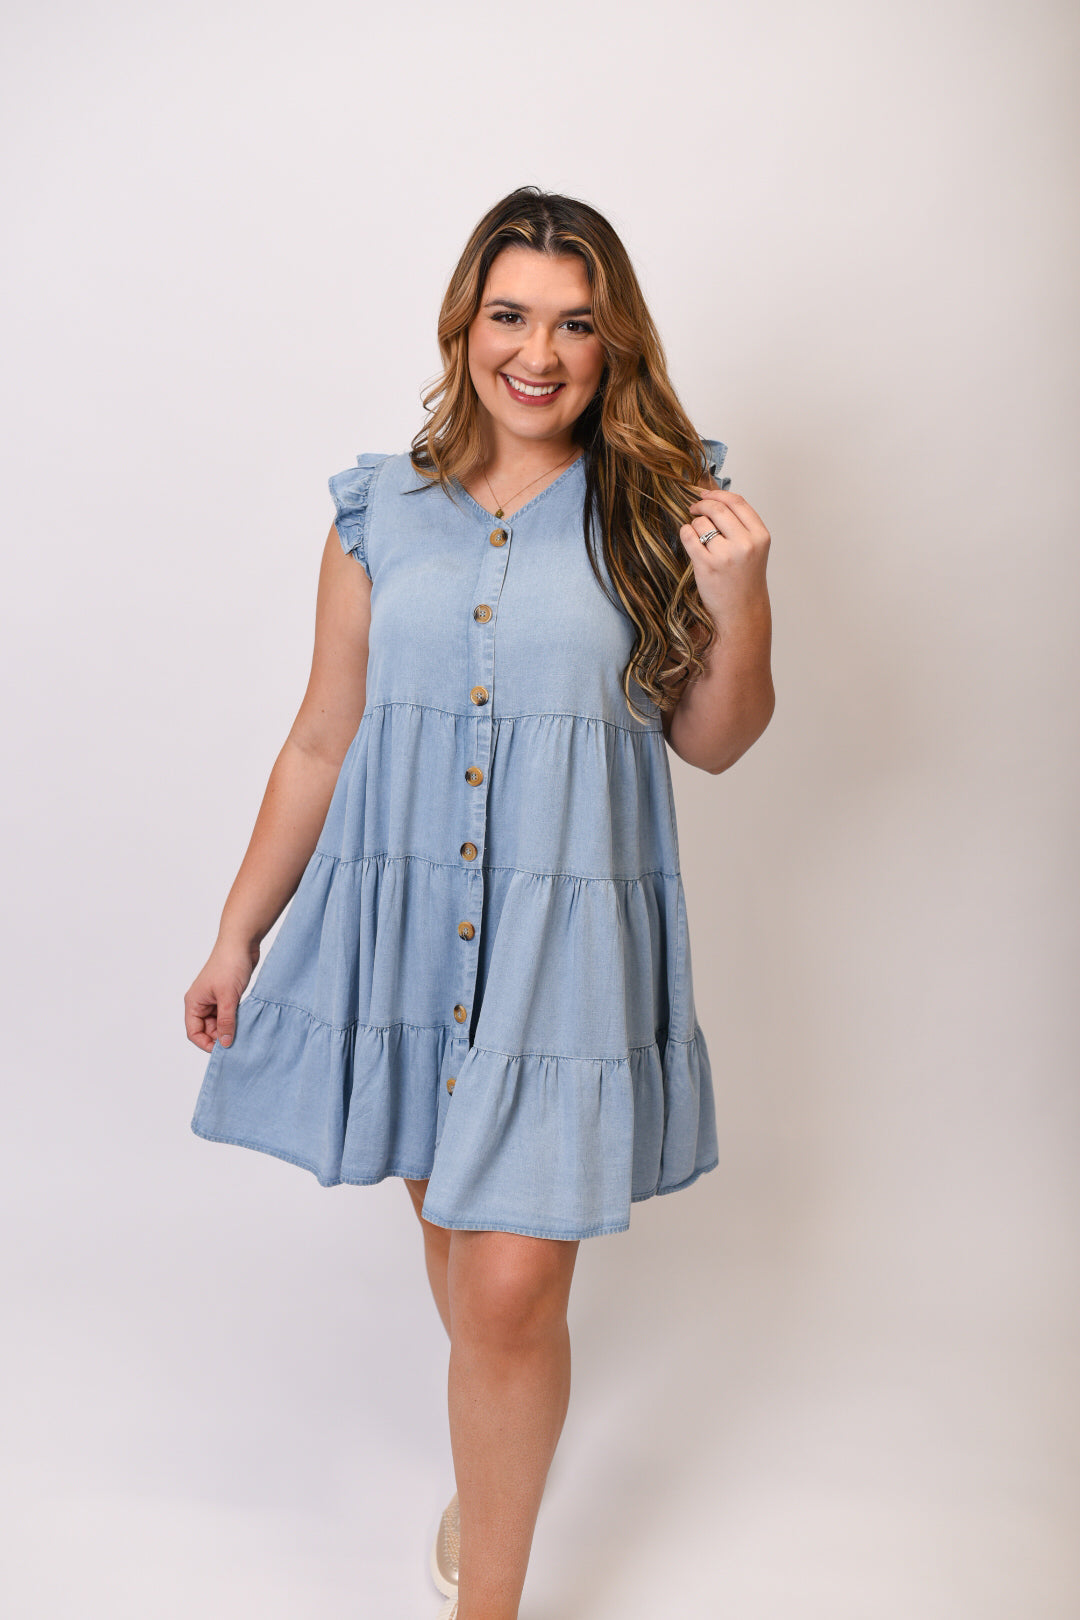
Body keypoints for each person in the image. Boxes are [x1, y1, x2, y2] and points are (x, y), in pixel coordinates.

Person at [184, 185, 774, 1620]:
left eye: (576, 324)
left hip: (564, 949)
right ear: (463, 325)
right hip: (401, 941)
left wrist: (744, 600)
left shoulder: (665, 509)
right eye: (511, 315)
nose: (539, 352)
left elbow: (715, 739)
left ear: (614, 342)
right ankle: (493, 1450)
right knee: (463, 1260)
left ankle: (488, 1601)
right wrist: (238, 931)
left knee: (510, 1296)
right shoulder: (378, 514)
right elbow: (321, 738)